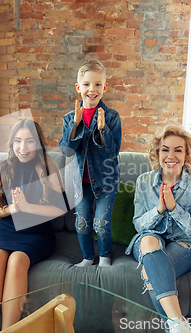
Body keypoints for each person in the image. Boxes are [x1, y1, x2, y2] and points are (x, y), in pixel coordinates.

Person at [0, 119, 68, 333]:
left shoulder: (48, 165)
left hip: (37, 232)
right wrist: (13, 209)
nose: (23, 147)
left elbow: (60, 209)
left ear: (37, 143)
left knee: (17, 260)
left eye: (29, 141)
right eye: (18, 141)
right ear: (12, 143)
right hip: (7, 230)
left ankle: (9, 331)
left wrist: (27, 207)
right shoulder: (2, 167)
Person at [125, 123, 191, 333]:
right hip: (150, 240)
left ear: (186, 154)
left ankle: (176, 326)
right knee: (147, 240)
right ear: (158, 153)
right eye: (165, 149)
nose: (171, 155)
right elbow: (139, 225)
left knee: (150, 268)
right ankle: (179, 324)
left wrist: (175, 208)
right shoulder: (143, 182)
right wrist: (160, 209)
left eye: (178, 150)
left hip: (187, 244)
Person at [59, 59, 122, 268]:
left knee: (101, 223)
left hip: (106, 181)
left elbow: (112, 153)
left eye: (97, 84)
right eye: (86, 84)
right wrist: (76, 125)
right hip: (81, 182)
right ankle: (87, 257)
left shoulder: (112, 117)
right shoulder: (70, 118)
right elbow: (67, 150)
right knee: (82, 222)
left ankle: (104, 256)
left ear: (104, 87)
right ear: (78, 88)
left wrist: (103, 129)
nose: (91, 89)